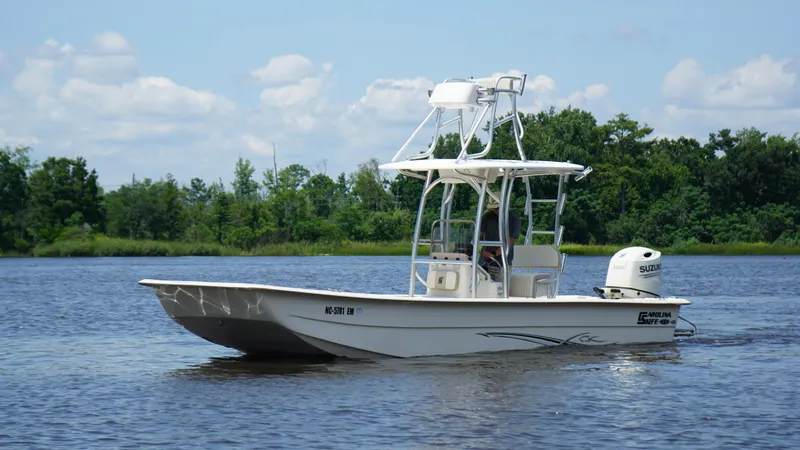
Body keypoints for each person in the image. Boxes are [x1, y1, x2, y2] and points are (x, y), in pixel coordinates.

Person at [479, 197, 521, 282]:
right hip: (484, 261)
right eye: (494, 208)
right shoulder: (486, 217)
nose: (495, 210)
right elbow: (478, 235)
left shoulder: (514, 219)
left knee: (501, 291)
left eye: (497, 208)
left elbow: (510, 241)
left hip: (503, 263)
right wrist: (479, 251)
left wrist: (494, 254)